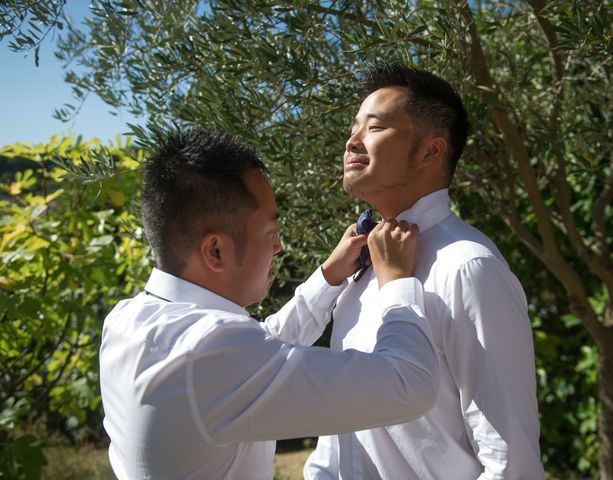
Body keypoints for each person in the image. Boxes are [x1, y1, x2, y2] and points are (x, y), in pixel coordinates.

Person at [99, 127, 442, 479]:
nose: (277, 247)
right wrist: (397, 282)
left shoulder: (127, 319)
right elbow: (408, 385)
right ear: (215, 250)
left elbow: (260, 352)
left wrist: (328, 277)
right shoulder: (207, 353)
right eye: (269, 232)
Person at [304, 64, 544, 479]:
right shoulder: (358, 265)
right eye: (354, 126)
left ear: (431, 151)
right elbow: (340, 430)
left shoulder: (468, 267)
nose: (351, 141)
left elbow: (511, 462)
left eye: (374, 127)